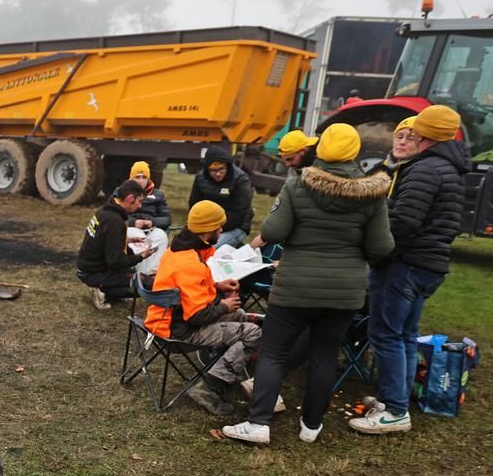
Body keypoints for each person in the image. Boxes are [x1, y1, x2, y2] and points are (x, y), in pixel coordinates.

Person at [224, 123, 394, 444]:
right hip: (344, 292)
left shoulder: (299, 184)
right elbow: (381, 248)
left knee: (274, 352)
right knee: (325, 356)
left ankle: (258, 423)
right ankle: (311, 426)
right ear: (354, 152)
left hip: (295, 287)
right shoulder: (373, 192)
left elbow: (273, 231)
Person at [350, 104, 470, 435]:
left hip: (405, 264)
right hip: (428, 264)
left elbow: (403, 224)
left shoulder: (424, 169)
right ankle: (394, 400)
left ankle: (395, 410)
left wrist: (375, 251)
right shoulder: (449, 168)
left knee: (386, 334)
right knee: (403, 334)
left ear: (424, 133)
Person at [145, 200, 260, 415]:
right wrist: (224, 306)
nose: (222, 229)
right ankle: (211, 386)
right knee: (253, 333)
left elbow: (187, 288)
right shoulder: (191, 264)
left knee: (240, 314)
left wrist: (217, 285)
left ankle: (218, 363)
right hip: (176, 331)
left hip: (161, 320)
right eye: (219, 226)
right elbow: (196, 316)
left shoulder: (178, 250)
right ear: (208, 231)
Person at [76, 178, 157, 309]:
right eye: (139, 201)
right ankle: (101, 291)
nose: (140, 206)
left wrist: (128, 240)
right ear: (130, 198)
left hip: (86, 268)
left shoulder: (106, 210)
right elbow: (115, 261)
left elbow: (103, 240)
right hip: (93, 272)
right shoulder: (114, 221)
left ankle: (107, 289)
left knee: (131, 269)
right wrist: (141, 256)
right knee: (143, 284)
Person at [188, 146, 254, 248]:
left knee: (207, 248)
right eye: (213, 170)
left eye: (221, 169)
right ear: (207, 169)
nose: (218, 174)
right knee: (186, 245)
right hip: (207, 227)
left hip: (236, 226)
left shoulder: (241, 180)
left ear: (227, 166)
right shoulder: (201, 178)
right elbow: (194, 204)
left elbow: (240, 214)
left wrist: (213, 229)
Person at [129, 161, 172, 230]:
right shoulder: (122, 192)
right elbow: (114, 216)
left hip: (152, 229)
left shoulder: (158, 195)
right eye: (137, 177)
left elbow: (167, 219)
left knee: (160, 237)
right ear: (131, 178)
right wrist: (133, 222)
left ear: (148, 179)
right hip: (130, 229)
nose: (141, 181)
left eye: (144, 177)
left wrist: (153, 222)